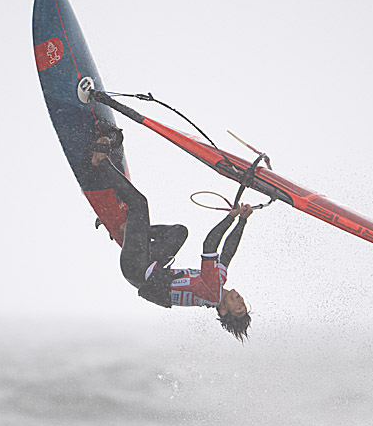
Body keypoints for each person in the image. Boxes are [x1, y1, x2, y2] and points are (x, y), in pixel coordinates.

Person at [91, 133, 253, 341]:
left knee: (140, 205)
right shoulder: (218, 282)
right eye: (243, 305)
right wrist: (242, 221)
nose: (240, 302)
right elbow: (227, 253)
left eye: (237, 309)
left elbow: (210, 244)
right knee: (179, 233)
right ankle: (127, 229)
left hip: (137, 269)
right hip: (151, 265)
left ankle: (100, 161)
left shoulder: (213, 292)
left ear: (223, 311)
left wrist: (230, 218)